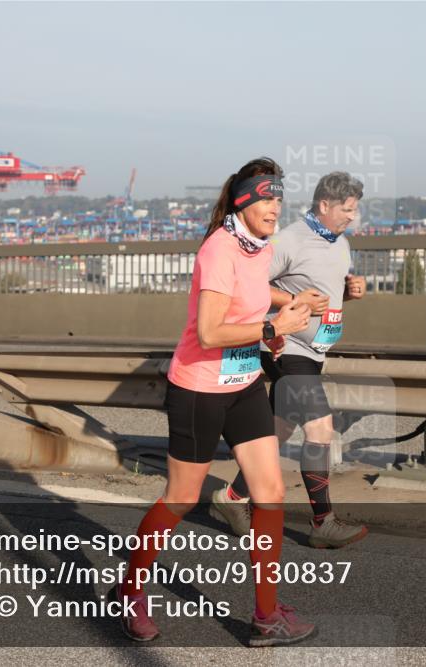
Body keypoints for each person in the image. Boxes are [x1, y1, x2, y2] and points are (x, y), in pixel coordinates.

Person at [114, 157, 316, 647]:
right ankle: (131, 588)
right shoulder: (219, 249)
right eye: (267, 197)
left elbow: (251, 292)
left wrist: (288, 304)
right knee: (181, 498)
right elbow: (209, 332)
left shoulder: (257, 249)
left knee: (270, 493)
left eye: (279, 197)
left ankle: (266, 616)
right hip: (200, 390)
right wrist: (274, 327)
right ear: (244, 200)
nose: (276, 206)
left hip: (243, 384)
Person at [211, 171, 369, 549]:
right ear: (324, 205)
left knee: (275, 435)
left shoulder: (340, 243)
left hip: (313, 354)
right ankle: (322, 522)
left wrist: (348, 294)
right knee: (320, 430)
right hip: (286, 350)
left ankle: (231, 499)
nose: (352, 217)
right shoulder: (289, 240)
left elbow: (319, 297)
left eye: (355, 210)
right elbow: (249, 289)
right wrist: (290, 304)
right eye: (347, 210)